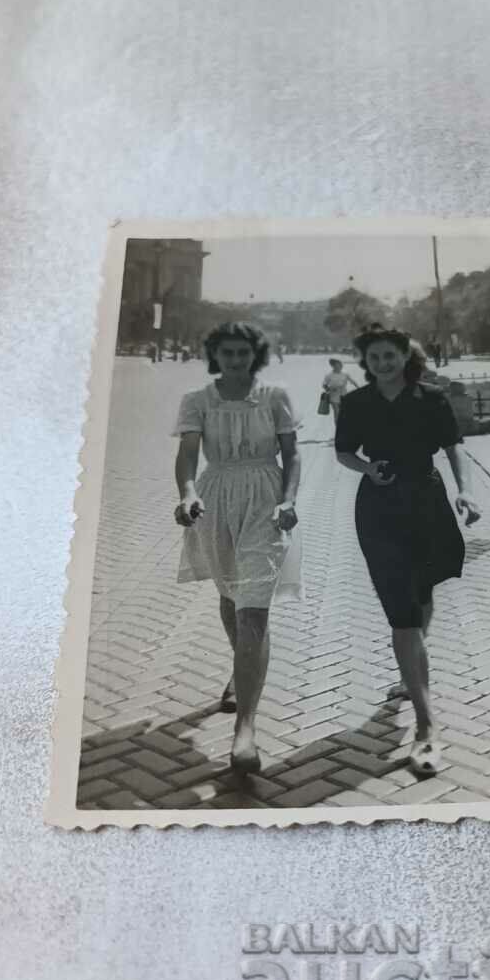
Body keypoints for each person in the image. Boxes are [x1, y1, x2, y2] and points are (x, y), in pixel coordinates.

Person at [335, 327, 480, 777]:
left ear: (405, 355)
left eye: (390, 355)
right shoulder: (357, 403)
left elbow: (455, 446)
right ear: (366, 361)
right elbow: (343, 452)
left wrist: (466, 493)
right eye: (374, 357)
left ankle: (410, 671)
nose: (382, 363)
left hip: (427, 502)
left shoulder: (432, 398)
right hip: (379, 508)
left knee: (423, 595)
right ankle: (425, 725)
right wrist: (366, 466)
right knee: (402, 614)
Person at [172, 321, 302, 775]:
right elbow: (188, 457)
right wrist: (188, 493)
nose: (235, 360)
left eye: (242, 352)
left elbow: (293, 454)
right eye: (226, 352)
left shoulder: (275, 397)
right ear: (215, 355)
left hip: (266, 503)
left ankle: (245, 730)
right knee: (230, 597)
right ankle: (241, 671)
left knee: (254, 610)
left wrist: (288, 499)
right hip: (217, 502)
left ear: (255, 354)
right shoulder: (198, 401)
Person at [322, 358, 359, 424]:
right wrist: (330, 389)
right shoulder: (329, 375)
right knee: (337, 412)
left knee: (344, 412)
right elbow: (324, 385)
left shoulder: (345, 374)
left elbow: (353, 382)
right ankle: (338, 427)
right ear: (333, 366)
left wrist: (359, 388)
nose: (340, 366)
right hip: (333, 397)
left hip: (344, 395)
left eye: (340, 365)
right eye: (337, 365)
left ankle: (344, 425)